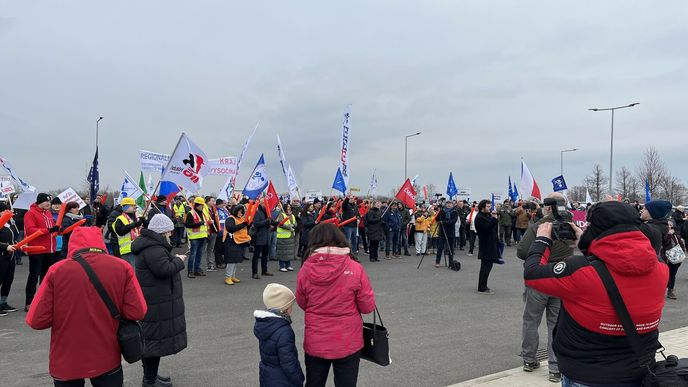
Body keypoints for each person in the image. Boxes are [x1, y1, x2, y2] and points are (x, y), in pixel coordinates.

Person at [524, 201, 668, 386]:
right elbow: (620, 259)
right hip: (639, 370)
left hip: (586, 372)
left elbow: (532, 274)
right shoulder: (660, 267)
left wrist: (543, 239)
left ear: (595, 228)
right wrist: (588, 243)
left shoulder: (580, 271)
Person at [25, 227, 148, 387]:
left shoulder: (57, 270)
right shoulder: (121, 267)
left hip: (66, 358)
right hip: (106, 354)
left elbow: (37, 320)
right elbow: (137, 311)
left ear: (72, 244)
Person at [296, 223, 376, 387]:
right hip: (348, 339)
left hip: (316, 337)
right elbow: (367, 306)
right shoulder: (355, 268)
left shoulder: (306, 268)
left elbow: (302, 301)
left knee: (314, 383)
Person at [515, 193, 573, 382]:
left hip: (540, 276)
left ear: (547, 207)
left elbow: (522, 251)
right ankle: (555, 368)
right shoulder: (571, 225)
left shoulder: (540, 225)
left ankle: (529, 359)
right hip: (562, 277)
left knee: (531, 320)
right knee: (555, 323)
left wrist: (540, 252)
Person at [131, 214, 187, 387]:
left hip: (156, 299)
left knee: (154, 341)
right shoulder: (153, 248)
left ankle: (151, 376)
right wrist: (179, 261)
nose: (171, 233)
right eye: (169, 230)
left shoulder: (152, 245)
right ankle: (149, 380)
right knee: (153, 342)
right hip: (155, 301)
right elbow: (164, 269)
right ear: (163, 231)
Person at [254, 283, 305, 387]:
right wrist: (299, 379)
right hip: (282, 380)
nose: (292, 310)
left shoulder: (264, 324)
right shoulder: (284, 331)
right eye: (290, 306)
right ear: (284, 310)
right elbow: (288, 362)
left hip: (267, 376)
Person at [24, 193, 58, 312]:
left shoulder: (48, 213)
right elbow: (30, 230)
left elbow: (52, 228)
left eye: (49, 201)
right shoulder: (30, 213)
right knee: (34, 275)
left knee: (46, 277)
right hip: (37, 249)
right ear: (39, 202)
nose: (48, 203)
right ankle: (29, 301)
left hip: (49, 249)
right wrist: (47, 230)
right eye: (46, 201)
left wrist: (57, 229)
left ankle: (43, 300)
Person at [475, 199, 499, 294]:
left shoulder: (487, 216)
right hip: (486, 245)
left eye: (490, 206)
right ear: (482, 207)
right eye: (488, 206)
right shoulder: (480, 218)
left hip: (491, 244)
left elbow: (493, 227)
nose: (490, 208)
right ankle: (482, 287)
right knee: (485, 267)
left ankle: (484, 285)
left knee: (488, 267)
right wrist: (494, 219)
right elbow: (487, 228)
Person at [112, 197, 143, 267]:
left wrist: (144, 221)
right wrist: (134, 225)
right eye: (132, 205)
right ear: (125, 207)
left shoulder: (137, 217)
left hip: (138, 249)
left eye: (135, 205)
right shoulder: (120, 219)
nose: (135, 207)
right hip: (127, 250)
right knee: (132, 272)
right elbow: (120, 231)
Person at [223, 204, 250, 285]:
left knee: (235, 260)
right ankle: (228, 277)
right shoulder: (230, 219)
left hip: (238, 241)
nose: (240, 213)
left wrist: (248, 224)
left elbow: (245, 228)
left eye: (241, 211)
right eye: (239, 211)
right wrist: (243, 224)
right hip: (230, 242)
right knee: (231, 261)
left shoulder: (241, 219)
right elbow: (230, 228)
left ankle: (232, 276)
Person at [0, 201, 18, 315]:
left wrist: (18, 244)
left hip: (10, 257)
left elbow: (12, 238)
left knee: (8, 280)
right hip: (1, 256)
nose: (7, 212)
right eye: (4, 210)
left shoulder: (8, 224)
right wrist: (6, 247)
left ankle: (3, 302)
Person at [185, 196, 209, 278]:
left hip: (202, 237)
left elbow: (205, 224)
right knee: (193, 254)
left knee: (199, 254)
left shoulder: (203, 213)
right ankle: (190, 271)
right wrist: (199, 224)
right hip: (194, 238)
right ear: (197, 205)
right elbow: (187, 225)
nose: (202, 206)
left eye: (203, 205)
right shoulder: (190, 213)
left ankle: (197, 270)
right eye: (201, 205)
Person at [251, 201, 275, 279]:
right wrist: (267, 221)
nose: (266, 205)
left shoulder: (267, 213)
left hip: (266, 237)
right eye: (265, 203)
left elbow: (272, 222)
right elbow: (256, 223)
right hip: (259, 237)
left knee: (265, 255)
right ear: (261, 204)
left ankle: (264, 270)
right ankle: (254, 272)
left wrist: (280, 223)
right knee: (256, 255)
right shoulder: (258, 212)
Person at [663, 221, 685, 300]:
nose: (669, 226)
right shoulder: (664, 234)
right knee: (665, 274)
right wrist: (669, 235)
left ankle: (670, 290)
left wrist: (681, 252)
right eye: (667, 225)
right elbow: (665, 243)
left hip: (676, 258)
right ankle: (663, 289)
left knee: (673, 275)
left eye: (670, 225)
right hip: (666, 258)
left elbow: (681, 244)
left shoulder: (676, 234)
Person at [435, 200, 459, 268]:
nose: (449, 205)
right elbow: (437, 219)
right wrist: (440, 212)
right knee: (440, 247)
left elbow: (453, 221)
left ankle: (451, 263)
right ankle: (437, 262)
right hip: (442, 232)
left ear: (453, 205)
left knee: (451, 248)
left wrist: (444, 222)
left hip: (450, 232)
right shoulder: (443, 211)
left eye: (450, 204)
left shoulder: (454, 212)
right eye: (447, 204)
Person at [276, 203, 297, 272]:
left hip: (290, 236)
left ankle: (288, 265)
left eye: (290, 207)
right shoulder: (282, 215)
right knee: (282, 252)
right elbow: (280, 224)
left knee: (289, 252)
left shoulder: (292, 215)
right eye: (288, 207)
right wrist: (289, 227)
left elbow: (295, 223)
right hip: (282, 236)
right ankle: (282, 266)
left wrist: (293, 225)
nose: (289, 208)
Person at [203, 196, 219, 272]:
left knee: (211, 249)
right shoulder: (204, 208)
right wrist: (209, 222)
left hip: (214, 231)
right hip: (206, 232)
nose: (214, 202)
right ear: (208, 201)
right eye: (212, 201)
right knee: (202, 249)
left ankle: (210, 265)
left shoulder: (213, 209)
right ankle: (198, 267)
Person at [214, 199, 230, 269]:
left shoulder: (224, 210)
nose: (224, 205)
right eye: (223, 204)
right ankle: (218, 262)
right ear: (219, 204)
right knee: (218, 248)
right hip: (219, 232)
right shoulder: (215, 210)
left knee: (224, 248)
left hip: (225, 232)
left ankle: (223, 260)